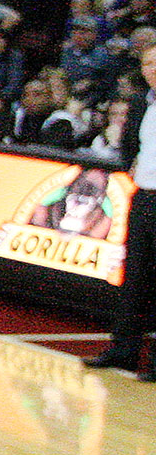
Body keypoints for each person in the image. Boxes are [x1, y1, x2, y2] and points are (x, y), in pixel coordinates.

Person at [86, 41, 156, 382]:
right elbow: (132, 145)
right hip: (144, 196)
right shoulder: (143, 104)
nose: (151, 68)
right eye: (147, 63)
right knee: (135, 277)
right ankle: (123, 350)